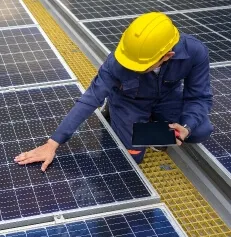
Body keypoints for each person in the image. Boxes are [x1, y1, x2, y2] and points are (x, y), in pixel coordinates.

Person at [15, 12, 213, 170]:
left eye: (140, 66)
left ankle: (147, 127)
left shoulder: (195, 52)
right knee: (133, 158)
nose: (132, 68)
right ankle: (121, 114)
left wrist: (186, 125)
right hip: (130, 102)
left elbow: (199, 97)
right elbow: (90, 99)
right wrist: (53, 143)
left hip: (166, 100)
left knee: (200, 130)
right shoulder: (118, 61)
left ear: (167, 56)